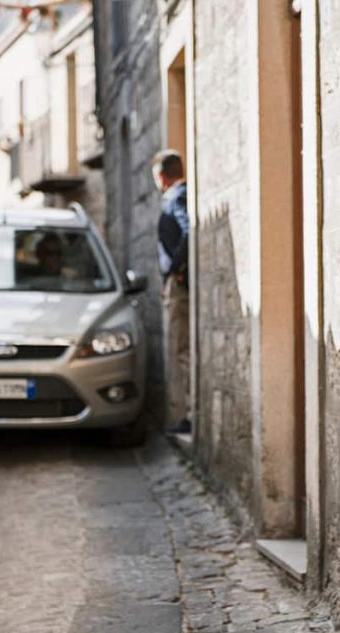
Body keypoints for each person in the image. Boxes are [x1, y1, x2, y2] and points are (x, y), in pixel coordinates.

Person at [152, 149, 191, 435]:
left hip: (179, 283)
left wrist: (176, 268)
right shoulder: (181, 195)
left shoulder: (176, 197)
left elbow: (188, 230)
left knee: (182, 349)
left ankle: (188, 414)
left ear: (162, 176)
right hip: (177, 280)